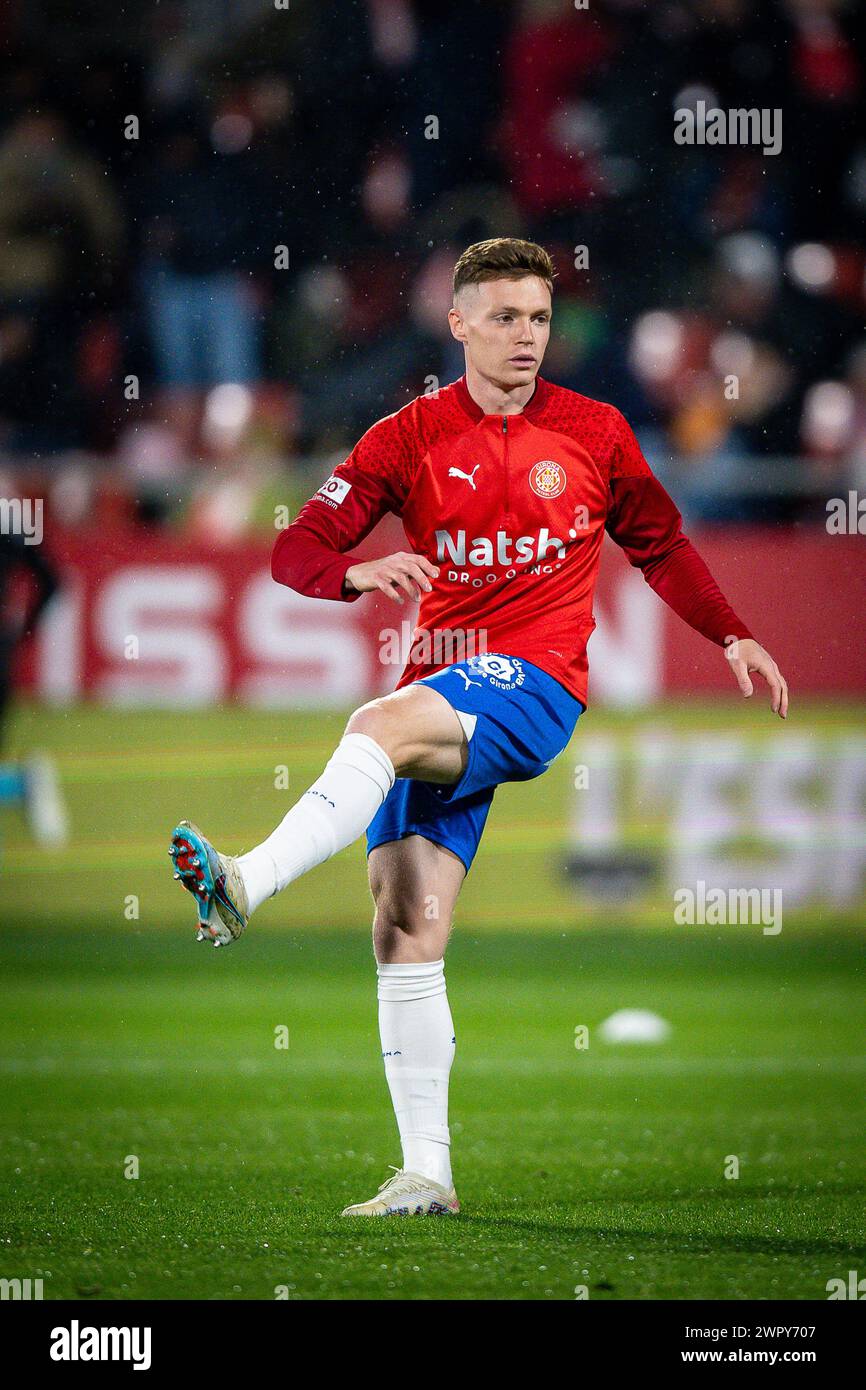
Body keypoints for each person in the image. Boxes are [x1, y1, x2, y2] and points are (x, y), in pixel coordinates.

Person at [169, 238, 789, 1217]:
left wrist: (730, 633)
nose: (525, 336)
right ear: (455, 323)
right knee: (404, 924)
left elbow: (659, 543)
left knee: (374, 721)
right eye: (503, 317)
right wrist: (353, 572)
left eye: (538, 318)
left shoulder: (594, 431)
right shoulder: (405, 436)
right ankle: (428, 1174)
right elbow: (297, 547)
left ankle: (245, 881)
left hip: (535, 681)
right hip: (441, 683)